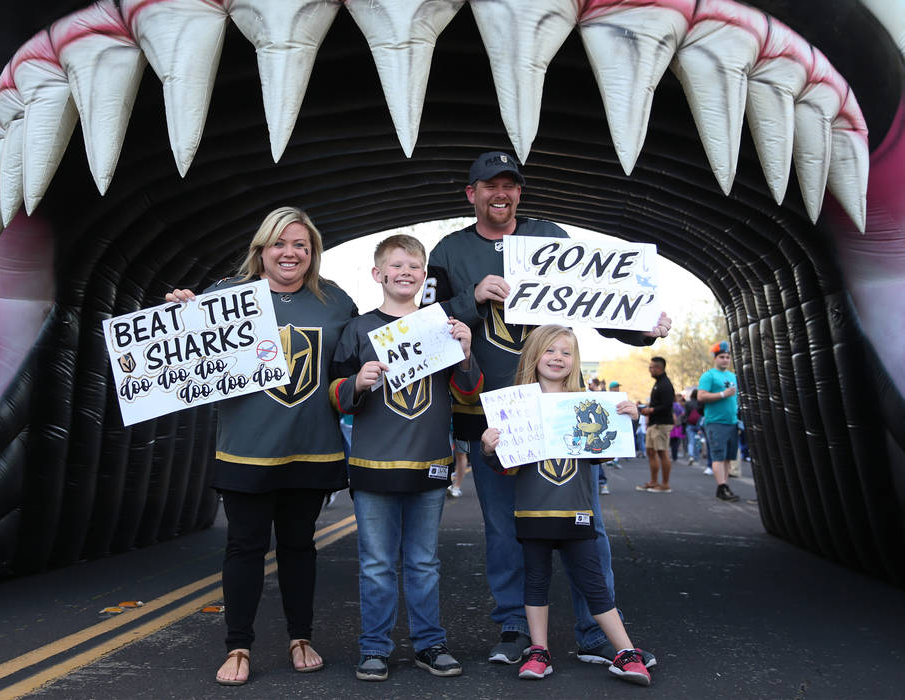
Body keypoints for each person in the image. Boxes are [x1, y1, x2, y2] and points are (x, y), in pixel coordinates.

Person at [423, 151, 668, 667]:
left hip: (562, 413)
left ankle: (594, 630)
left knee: (586, 525)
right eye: (489, 185)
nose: (500, 194)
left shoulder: (548, 237)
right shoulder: (449, 250)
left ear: (519, 193)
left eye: (509, 186)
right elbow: (424, 327)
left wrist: (639, 327)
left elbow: (594, 302)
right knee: (503, 525)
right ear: (471, 194)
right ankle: (515, 628)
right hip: (491, 414)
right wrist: (470, 297)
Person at [166, 207, 358, 686]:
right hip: (246, 451)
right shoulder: (225, 298)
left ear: (312, 252)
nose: (289, 253)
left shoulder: (335, 302)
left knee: (299, 547)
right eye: (279, 243)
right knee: (244, 548)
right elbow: (187, 362)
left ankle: (301, 637)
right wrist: (180, 316)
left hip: (312, 449)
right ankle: (238, 645)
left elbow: (356, 365)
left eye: (300, 245)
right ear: (261, 249)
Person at [331, 234, 482, 681]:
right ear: (378, 274)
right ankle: (375, 647)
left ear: (424, 276)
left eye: (414, 266)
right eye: (396, 266)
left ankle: (429, 644)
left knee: (423, 562)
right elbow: (334, 395)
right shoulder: (359, 329)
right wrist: (357, 383)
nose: (405, 272)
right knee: (376, 564)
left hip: (430, 464)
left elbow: (468, 391)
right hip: (373, 467)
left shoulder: (443, 323)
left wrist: (467, 352)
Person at [480, 325, 652, 686]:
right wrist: (488, 448)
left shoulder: (587, 404)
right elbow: (503, 466)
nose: (557, 358)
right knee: (536, 583)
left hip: (577, 511)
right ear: (533, 355)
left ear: (574, 361)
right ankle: (539, 651)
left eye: (565, 352)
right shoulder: (515, 404)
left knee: (594, 583)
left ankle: (625, 651)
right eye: (549, 350)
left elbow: (600, 455)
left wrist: (627, 421)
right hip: (533, 512)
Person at [698, 342, 741, 501]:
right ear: (715, 358)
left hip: (732, 422)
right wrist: (723, 394)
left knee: (729, 457)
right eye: (722, 357)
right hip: (716, 422)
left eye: (728, 357)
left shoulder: (733, 376)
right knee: (718, 456)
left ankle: (725, 486)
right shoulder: (709, 375)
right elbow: (701, 396)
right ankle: (721, 486)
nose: (725, 360)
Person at [637, 357, 675, 493]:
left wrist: (650, 410)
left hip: (662, 424)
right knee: (651, 452)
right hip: (654, 423)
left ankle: (665, 484)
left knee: (662, 452)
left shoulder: (665, 384)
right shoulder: (659, 382)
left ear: (659, 368)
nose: (650, 370)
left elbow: (667, 405)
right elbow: (658, 403)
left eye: (651, 367)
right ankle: (653, 482)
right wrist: (646, 407)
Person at [684, 389, 703, 465]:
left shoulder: (688, 403)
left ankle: (691, 455)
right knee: (698, 441)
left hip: (690, 424)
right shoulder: (700, 403)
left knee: (691, 441)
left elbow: (686, 414)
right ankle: (697, 456)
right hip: (699, 424)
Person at [669, 394, 685, 462]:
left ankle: (672, 455)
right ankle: (675, 456)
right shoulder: (678, 405)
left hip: (671, 424)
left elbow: (673, 414)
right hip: (678, 425)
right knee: (676, 441)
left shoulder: (671, 405)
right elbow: (683, 413)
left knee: (671, 441)